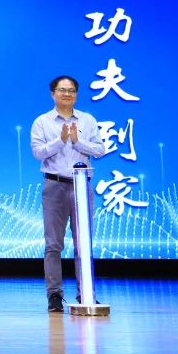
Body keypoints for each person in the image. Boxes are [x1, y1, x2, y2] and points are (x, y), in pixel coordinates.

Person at [30, 75, 106, 313]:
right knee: (53, 244)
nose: (67, 94)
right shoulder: (42, 122)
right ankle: (54, 295)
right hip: (54, 185)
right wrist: (60, 140)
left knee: (83, 243)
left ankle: (86, 294)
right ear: (53, 93)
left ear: (76, 94)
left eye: (71, 90)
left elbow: (100, 149)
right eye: (62, 90)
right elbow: (37, 153)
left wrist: (77, 141)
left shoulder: (88, 120)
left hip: (81, 186)